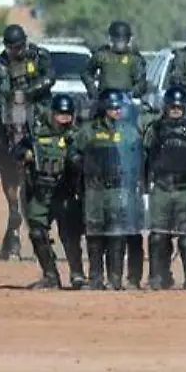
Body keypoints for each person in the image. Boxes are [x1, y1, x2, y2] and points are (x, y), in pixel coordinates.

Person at [0, 24, 56, 260]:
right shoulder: (0, 62)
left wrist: (32, 90)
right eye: (14, 48)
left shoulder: (40, 54)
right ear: (7, 47)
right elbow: (4, 87)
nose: (19, 51)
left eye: (21, 46)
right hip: (14, 107)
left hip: (39, 104)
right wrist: (17, 98)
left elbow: (50, 77)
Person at [71, 90, 144, 291]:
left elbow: (140, 157)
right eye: (112, 108)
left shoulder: (130, 132)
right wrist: (85, 165)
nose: (116, 112)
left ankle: (115, 278)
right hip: (95, 189)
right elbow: (74, 153)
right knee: (94, 235)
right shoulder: (89, 131)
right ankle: (95, 278)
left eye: (119, 108)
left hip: (119, 189)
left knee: (117, 234)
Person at [14, 93, 84, 289]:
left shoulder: (76, 135)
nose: (64, 119)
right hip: (39, 192)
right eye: (60, 115)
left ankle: (77, 274)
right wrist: (26, 154)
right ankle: (50, 275)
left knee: (70, 234)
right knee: (37, 233)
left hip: (65, 192)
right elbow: (16, 151)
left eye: (67, 115)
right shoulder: (38, 134)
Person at [142, 86, 186, 290]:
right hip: (162, 187)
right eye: (172, 107)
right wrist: (144, 183)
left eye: (179, 107)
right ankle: (158, 277)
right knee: (158, 236)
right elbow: (146, 156)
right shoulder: (155, 129)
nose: (176, 110)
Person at [81, 20, 148, 102]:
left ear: (128, 40)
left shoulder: (134, 58)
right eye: (117, 39)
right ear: (111, 38)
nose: (120, 43)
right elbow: (86, 73)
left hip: (125, 101)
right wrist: (93, 91)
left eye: (123, 39)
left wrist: (132, 93)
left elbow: (141, 82)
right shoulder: (102, 55)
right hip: (104, 100)